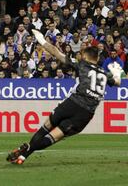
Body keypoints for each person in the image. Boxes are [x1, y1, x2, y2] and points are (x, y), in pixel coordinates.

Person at [7, 29, 122, 165]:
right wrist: (117, 73)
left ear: (84, 56)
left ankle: (25, 152)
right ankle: (25, 153)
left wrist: (42, 40)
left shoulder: (82, 64)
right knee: (54, 137)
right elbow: (117, 83)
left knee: (46, 127)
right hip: (86, 113)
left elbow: (56, 52)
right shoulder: (104, 72)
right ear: (97, 59)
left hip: (72, 103)